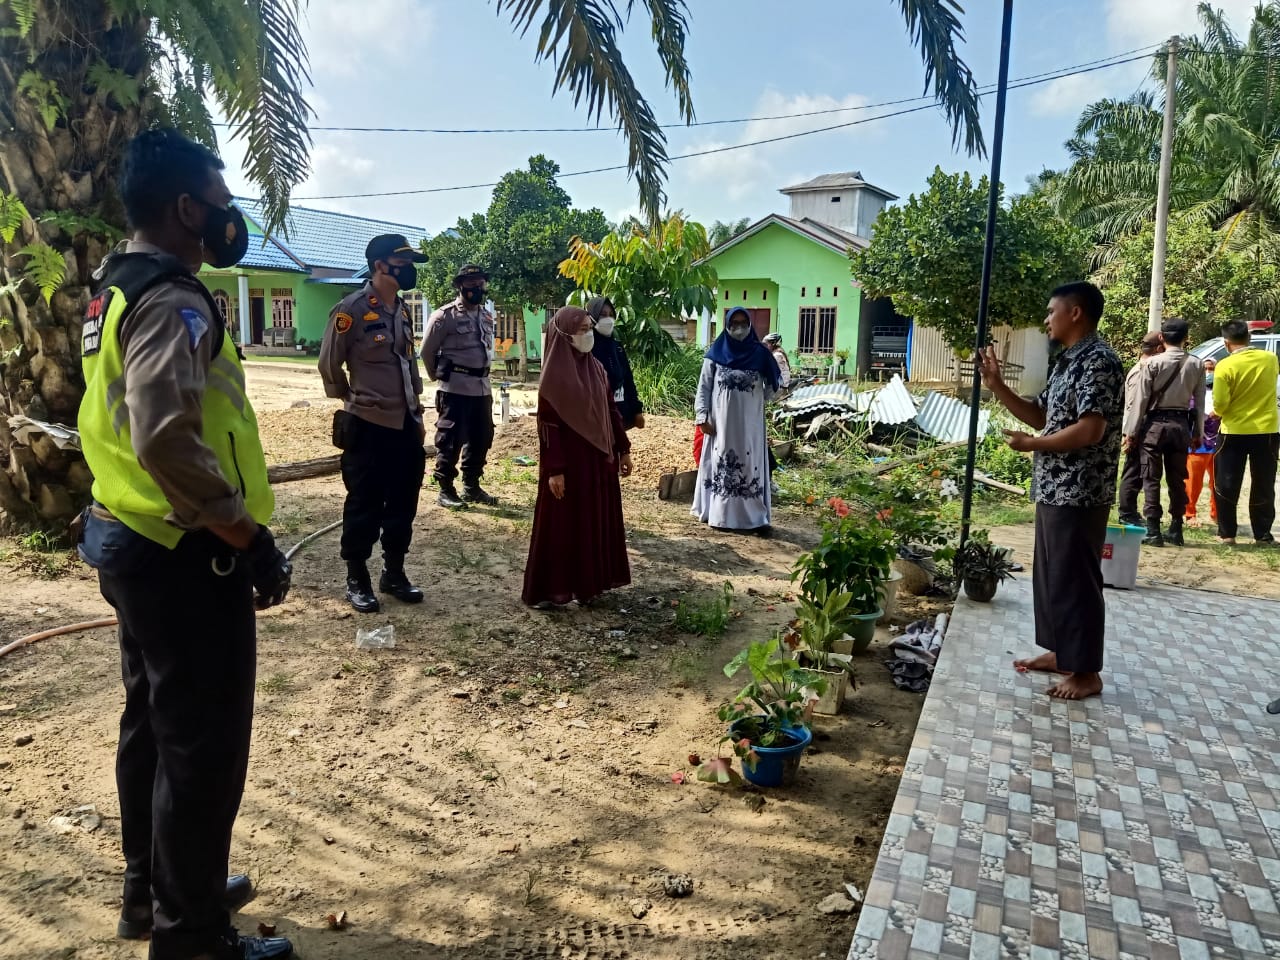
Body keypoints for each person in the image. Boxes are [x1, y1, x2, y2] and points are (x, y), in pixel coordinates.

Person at [75, 130, 293, 960]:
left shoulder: (115, 288)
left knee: (154, 726)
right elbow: (167, 437)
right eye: (218, 195)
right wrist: (247, 535)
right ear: (185, 208)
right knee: (200, 745)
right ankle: (193, 936)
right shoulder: (175, 297)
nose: (227, 212)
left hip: (127, 536)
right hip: (182, 548)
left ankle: (158, 891)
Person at [979, 281, 1124, 701]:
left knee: (1076, 579)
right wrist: (998, 387)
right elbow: (1042, 414)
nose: (1046, 319)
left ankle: (1086, 672)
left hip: (1081, 490)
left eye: (1051, 310)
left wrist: (1031, 445)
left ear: (1075, 313)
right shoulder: (1067, 362)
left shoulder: (1098, 361)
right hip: (1054, 487)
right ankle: (1062, 653)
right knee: (1053, 577)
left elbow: (1091, 429)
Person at [319, 234, 428, 613]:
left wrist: (416, 411)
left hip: (404, 424)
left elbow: (409, 364)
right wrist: (353, 397)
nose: (409, 268)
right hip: (367, 423)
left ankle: (393, 572)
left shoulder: (402, 310)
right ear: (381, 265)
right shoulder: (350, 309)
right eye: (403, 262)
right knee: (364, 501)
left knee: (403, 499)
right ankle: (357, 577)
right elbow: (329, 364)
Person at [522, 307, 634, 607]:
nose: (588, 335)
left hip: (599, 461)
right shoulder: (553, 378)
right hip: (570, 465)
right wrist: (554, 470)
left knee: (592, 522)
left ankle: (589, 586)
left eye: (589, 328)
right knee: (562, 525)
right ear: (565, 335)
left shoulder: (596, 368)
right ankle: (550, 590)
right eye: (582, 330)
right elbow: (549, 428)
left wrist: (623, 449)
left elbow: (610, 411)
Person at [692, 307, 782, 534]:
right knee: (723, 463)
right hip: (721, 425)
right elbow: (704, 387)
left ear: (750, 325)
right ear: (727, 325)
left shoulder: (761, 355)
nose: (739, 328)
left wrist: (778, 376)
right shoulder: (715, 353)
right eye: (734, 324)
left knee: (750, 466)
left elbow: (772, 392)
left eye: (743, 323)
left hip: (750, 426)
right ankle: (721, 516)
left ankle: (753, 518)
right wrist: (702, 417)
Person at [1123, 318, 1206, 547]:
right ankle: (1176, 528)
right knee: (1177, 478)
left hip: (1154, 426)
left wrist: (1130, 432)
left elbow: (1140, 402)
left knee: (1151, 478)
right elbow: (1199, 403)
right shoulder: (1196, 364)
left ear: (1162, 338)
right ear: (1186, 337)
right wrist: (1197, 432)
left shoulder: (1152, 363)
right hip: (1181, 426)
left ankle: (1153, 530)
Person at [421, 264, 498, 509]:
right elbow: (426, 351)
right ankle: (445, 489)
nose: (477, 287)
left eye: (480, 283)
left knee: (481, 437)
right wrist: (440, 377)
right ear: (459, 286)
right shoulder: (444, 316)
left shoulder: (486, 315)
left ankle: (471, 486)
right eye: (471, 282)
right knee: (450, 440)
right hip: (455, 389)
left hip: (481, 388)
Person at [1212, 319, 1280, 544]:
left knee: (1227, 483)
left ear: (1226, 342)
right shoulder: (1270, 359)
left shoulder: (1225, 365)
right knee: (1263, 482)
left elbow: (1221, 404)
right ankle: (1262, 534)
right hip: (1266, 430)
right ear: (1249, 338)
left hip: (1234, 431)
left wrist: (1215, 413)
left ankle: (1227, 534)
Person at [1116, 332, 1164, 526]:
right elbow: (1133, 405)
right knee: (1133, 471)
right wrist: (1131, 433)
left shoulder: (1146, 368)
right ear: (1159, 349)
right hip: (1137, 425)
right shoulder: (1141, 371)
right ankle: (1127, 512)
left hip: (1140, 425)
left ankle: (1130, 512)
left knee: (1137, 470)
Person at [586, 296, 645, 429]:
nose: (608, 319)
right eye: (603, 315)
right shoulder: (587, 346)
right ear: (592, 316)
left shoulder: (617, 347)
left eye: (611, 315)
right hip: (596, 414)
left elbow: (627, 380)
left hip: (619, 411)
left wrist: (636, 410)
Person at [1185, 404, 1220, 527]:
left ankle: (1217, 513)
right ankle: (1189, 513)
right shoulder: (1193, 388)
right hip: (1198, 442)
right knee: (1193, 481)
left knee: (1220, 481)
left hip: (1221, 440)